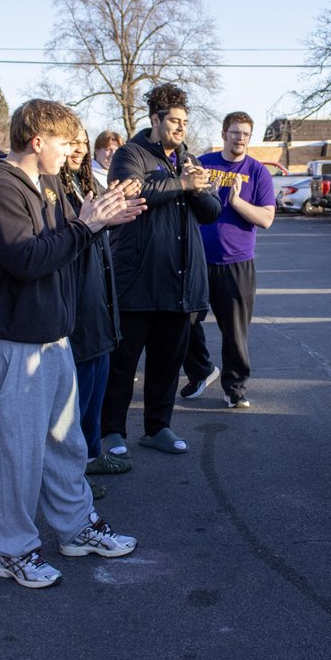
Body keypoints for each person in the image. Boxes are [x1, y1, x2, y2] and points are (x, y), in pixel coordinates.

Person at [0, 98, 142, 589]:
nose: (72, 153)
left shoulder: (46, 184)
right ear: (37, 140)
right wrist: (88, 226)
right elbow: (27, 259)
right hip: (11, 343)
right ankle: (13, 551)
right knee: (14, 453)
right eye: (65, 143)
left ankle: (75, 529)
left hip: (52, 337)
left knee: (65, 444)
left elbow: (69, 238)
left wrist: (99, 222)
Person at [100, 83, 221, 457]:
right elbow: (127, 191)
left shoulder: (189, 159)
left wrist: (198, 189)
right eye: (174, 120)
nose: (181, 128)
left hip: (180, 283)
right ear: (155, 119)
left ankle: (158, 427)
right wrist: (181, 184)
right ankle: (111, 432)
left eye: (185, 121)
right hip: (136, 280)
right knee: (123, 362)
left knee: (167, 364)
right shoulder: (130, 154)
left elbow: (212, 212)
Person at [181, 111, 275, 409]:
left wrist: (236, 202)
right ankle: (200, 372)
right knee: (184, 322)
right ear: (224, 134)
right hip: (197, 260)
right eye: (235, 132)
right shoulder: (203, 163)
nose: (240, 138)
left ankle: (234, 387)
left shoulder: (258, 172)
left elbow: (267, 218)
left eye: (246, 133)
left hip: (237, 263)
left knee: (235, 332)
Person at [58, 126, 134, 491]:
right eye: (71, 143)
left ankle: (90, 454)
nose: (79, 149)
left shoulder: (85, 183)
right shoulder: (53, 187)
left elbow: (105, 221)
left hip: (101, 298)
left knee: (98, 381)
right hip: (78, 301)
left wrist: (119, 203)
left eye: (82, 143)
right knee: (79, 390)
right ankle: (72, 475)